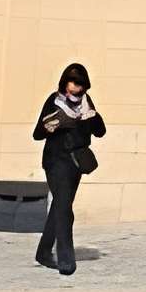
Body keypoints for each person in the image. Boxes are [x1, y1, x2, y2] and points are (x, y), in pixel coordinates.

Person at [31, 62, 101, 277]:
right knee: (64, 211)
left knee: (60, 207)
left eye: (79, 86)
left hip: (75, 163)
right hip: (55, 161)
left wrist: (92, 117)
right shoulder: (54, 102)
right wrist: (52, 125)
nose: (74, 90)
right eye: (71, 84)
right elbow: (37, 134)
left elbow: (100, 132)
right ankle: (66, 261)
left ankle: (43, 253)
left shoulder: (87, 104)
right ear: (64, 83)